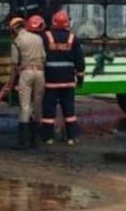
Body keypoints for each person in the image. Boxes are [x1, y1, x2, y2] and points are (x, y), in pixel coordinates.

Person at [39, 10, 85, 145]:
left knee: (49, 110)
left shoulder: (45, 37)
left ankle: (48, 137)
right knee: (69, 109)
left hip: (51, 80)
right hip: (68, 81)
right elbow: (80, 61)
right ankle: (71, 137)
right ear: (67, 23)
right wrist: (80, 78)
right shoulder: (73, 38)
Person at [9, 15, 46, 150]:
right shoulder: (38, 38)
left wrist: (10, 82)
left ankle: (23, 142)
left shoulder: (16, 41)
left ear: (14, 29)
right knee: (37, 105)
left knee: (25, 106)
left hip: (25, 73)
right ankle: (35, 141)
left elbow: (14, 64)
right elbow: (44, 57)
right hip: (40, 73)